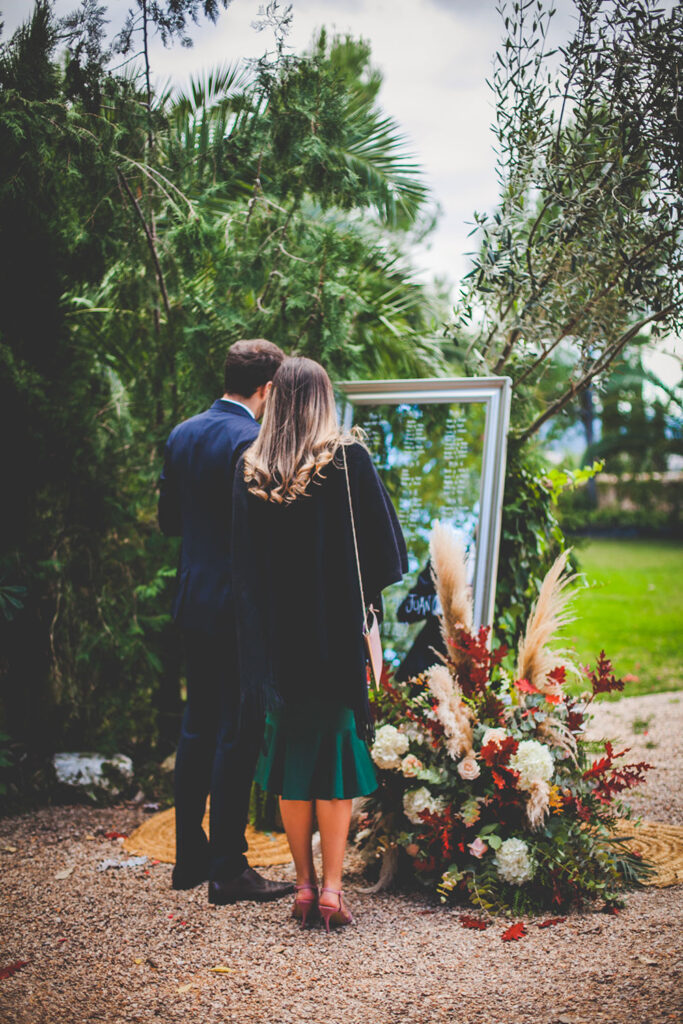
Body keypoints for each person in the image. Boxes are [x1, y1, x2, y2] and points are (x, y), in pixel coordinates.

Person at [232, 357, 407, 930]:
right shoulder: (348, 459)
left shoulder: (251, 468)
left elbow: (243, 568)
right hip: (332, 641)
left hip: (275, 646)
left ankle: (302, 887)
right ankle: (333, 890)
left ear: (276, 400)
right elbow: (386, 554)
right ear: (322, 400)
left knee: (290, 765)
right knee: (332, 763)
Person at [158, 338, 294, 906]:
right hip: (239, 608)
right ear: (267, 388)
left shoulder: (182, 433)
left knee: (197, 724)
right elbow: (265, 539)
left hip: (193, 598)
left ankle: (188, 853)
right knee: (238, 733)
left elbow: (168, 523)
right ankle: (228, 868)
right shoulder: (254, 441)